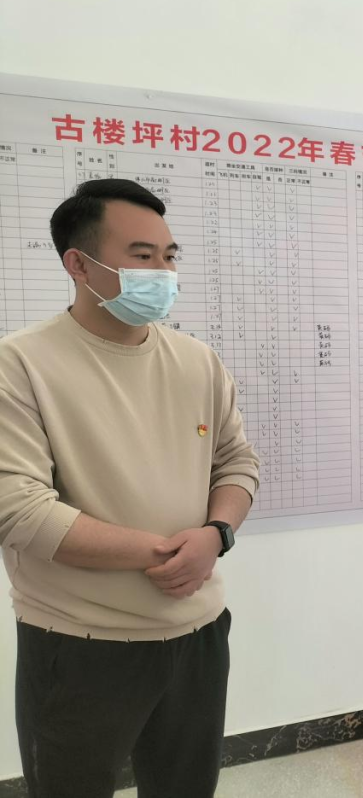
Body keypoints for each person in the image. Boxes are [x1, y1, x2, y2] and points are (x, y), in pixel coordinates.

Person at [0, 179, 260, 797]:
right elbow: (18, 509)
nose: (162, 272)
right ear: (78, 264)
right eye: (142, 256)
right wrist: (167, 553)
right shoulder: (20, 363)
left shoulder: (197, 360)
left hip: (198, 633)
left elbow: (236, 461)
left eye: (169, 256)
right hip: (80, 643)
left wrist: (216, 534)